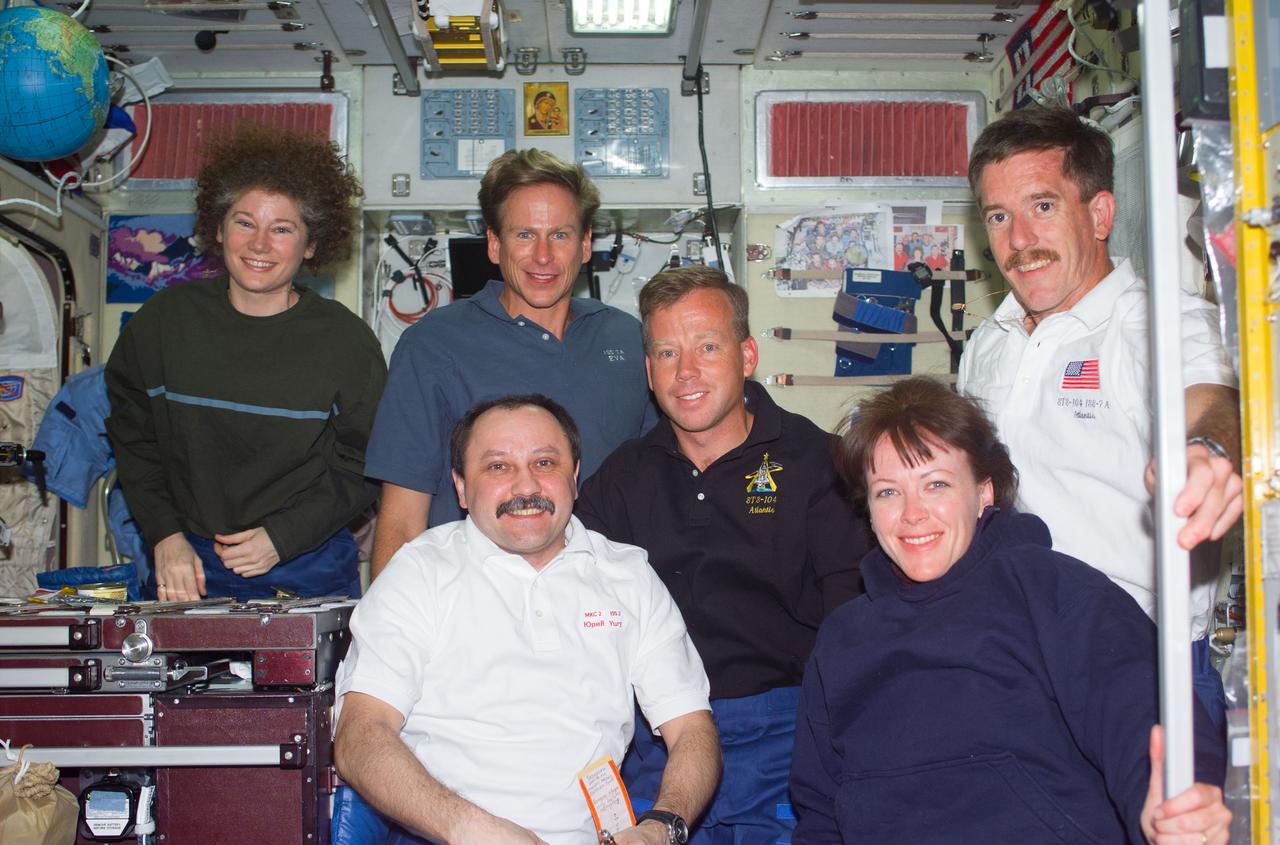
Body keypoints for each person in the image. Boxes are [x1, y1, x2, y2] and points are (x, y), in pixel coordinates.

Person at [790, 376, 1230, 844]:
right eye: (888, 492)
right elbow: (820, 811)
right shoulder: (842, 637)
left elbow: (1141, 717)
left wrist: (1173, 810)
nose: (912, 513)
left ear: (984, 492)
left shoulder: (1053, 591)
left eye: (936, 484)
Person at [956, 106, 1242, 724]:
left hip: (1137, 666)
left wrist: (1210, 451)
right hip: (1011, 657)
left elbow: (1213, 401)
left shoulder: (1159, 321)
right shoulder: (989, 341)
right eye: (999, 216)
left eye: (1043, 207)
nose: (1019, 241)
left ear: (1100, 214)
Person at [334, 394, 720, 845]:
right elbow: (360, 735)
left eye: (545, 463)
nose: (525, 487)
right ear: (460, 486)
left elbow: (693, 728)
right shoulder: (419, 573)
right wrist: (471, 830)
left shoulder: (627, 575)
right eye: (498, 467)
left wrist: (661, 826)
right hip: (448, 835)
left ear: (575, 477)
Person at [577, 267, 868, 844]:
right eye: (666, 352)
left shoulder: (821, 465)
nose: (686, 372)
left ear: (748, 354)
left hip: (785, 729)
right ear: (648, 371)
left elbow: (855, 628)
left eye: (707, 347)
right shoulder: (621, 480)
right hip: (656, 736)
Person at [105, 124, 385, 601]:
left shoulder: (346, 343)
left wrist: (283, 537)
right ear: (218, 227)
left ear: (311, 244)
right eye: (245, 222)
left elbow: (364, 466)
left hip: (305, 561)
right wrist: (164, 535)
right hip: (186, 561)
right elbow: (134, 440)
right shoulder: (162, 324)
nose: (259, 245)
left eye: (281, 229)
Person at [365, 148, 654, 579]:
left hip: (601, 609)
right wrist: (386, 639)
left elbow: (663, 487)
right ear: (495, 244)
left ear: (586, 243)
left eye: (560, 235)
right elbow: (403, 519)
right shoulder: (433, 345)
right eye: (524, 235)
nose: (543, 256)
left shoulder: (627, 339)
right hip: (472, 606)